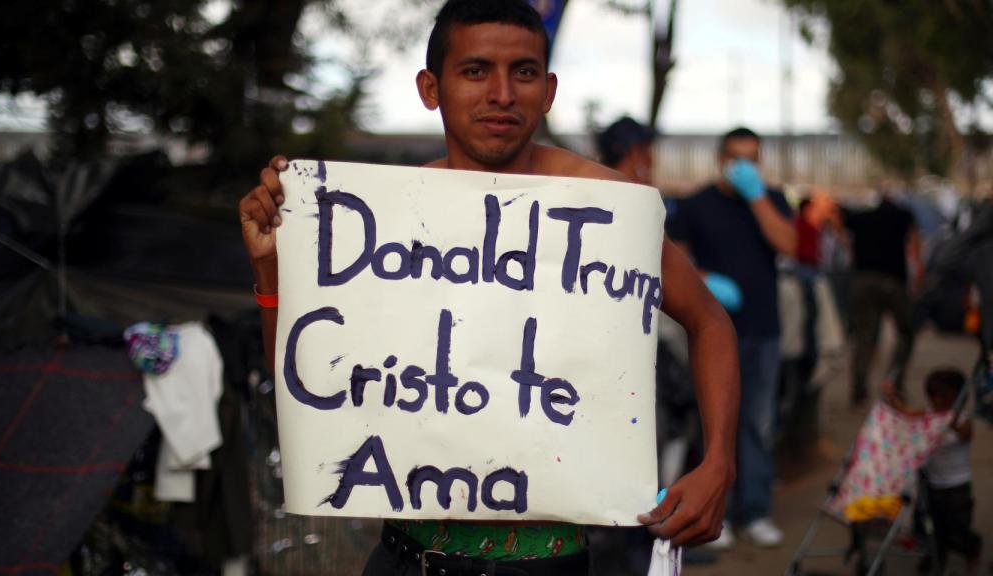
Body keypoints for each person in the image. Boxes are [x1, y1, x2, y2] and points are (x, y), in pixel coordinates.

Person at [238, 1, 739, 574]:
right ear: (431, 87)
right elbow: (313, 386)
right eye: (475, 71)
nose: (502, 93)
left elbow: (710, 321)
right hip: (409, 558)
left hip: (547, 562)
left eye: (523, 72)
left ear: (547, 90)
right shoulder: (381, 219)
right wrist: (270, 269)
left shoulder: (604, 207)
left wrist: (719, 461)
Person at [666, 127, 796, 549]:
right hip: (712, 335)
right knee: (715, 424)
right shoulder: (696, 204)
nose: (744, 166)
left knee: (757, 423)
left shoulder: (770, 198)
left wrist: (756, 195)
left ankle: (754, 511)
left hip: (764, 329)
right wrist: (703, 280)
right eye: (737, 158)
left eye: (752, 159)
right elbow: (675, 256)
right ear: (721, 158)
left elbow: (790, 245)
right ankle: (713, 512)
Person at [882, 369, 981, 574]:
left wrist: (949, 420)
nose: (936, 401)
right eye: (933, 395)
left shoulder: (962, 420)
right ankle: (937, 560)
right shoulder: (929, 414)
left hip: (956, 487)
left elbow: (965, 434)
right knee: (933, 528)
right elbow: (906, 414)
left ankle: (972, 548)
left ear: (956, 398)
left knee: (957, 529)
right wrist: (891, 396)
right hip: (932, 484)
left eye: (943, 396)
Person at [841, 191, 923, 406]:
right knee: (907, 332)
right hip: (893, 281)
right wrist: (918, 273)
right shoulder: (903, 215)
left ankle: (859, 389)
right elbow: (914, 243)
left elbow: (839, 225)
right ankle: (894, 382)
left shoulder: (861, 217)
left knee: (865, 336)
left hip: (863, 280)